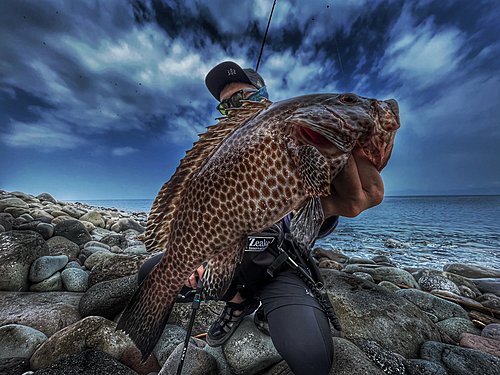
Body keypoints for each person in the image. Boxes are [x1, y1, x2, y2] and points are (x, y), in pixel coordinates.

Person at [139, 61, 384, 375]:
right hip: (230, 266)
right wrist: (196, 258)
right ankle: (239, 300)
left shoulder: (302, 140)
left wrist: (329, 202)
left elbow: (318, 216)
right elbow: (199, 212)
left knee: (312, 357)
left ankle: (271, 307)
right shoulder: (224, 158)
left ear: (266, 95)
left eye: (248, 96)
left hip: (278, 270)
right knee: (152, 274)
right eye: (229, 103)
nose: (239, 106)